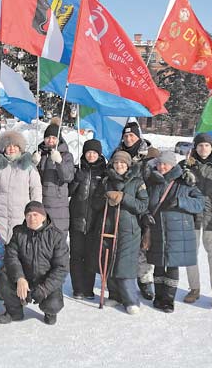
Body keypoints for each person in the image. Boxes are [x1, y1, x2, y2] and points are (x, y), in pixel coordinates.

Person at [146, 151, 205, 313]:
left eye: (165, 164)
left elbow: (200, 203)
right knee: (158, 264)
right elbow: (145, 202)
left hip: (177, 231)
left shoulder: (184, 181)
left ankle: (168, 300)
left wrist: (181, 201)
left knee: (172, 265)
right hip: (157, 228)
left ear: (172, 165)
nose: (161, 167)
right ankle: (158, 296)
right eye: (159, 163)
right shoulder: (152, 181)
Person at [93, 151, 149, 314]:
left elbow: (142, 205)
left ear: (128, 165)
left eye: (123, 163)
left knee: (125, 265)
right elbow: (95, 204)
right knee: (109, 261)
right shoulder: (106, 181)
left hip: (129, 230)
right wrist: (105, 197)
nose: (119, 165)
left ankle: (131, 300)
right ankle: (115, 295)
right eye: (116, 163)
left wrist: (124, 197)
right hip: (108, 226)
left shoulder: (137, 182)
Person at [0, 201, 69, 325]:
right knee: (5, 274)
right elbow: (11, 257)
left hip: (44, 280)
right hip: (24, 278)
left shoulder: (56, 236)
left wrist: (44, 289)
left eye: (35, 215)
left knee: (53, 304)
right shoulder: (18, 233)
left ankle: (49, 312)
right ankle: (14, 312)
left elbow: (61, 268)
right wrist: (19, 278)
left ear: (43, 217)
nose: (32, 218)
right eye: (28, 215)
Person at [110, 121, 159, 300]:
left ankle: (145, 281)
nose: (129, 138)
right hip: (123, 207)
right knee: (124, 247)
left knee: (144, 246)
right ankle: (121, 281)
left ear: (138, 136)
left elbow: (162, 175)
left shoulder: (151, 155)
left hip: (146, 204)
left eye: (132, 135)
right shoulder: (117, 153)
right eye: (126, 135)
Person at [179, 133, 212, 309]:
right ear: (195, 147)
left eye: (206, 145)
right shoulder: (186, 164)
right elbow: (177, 187)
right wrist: (183, 172)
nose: (203, 148)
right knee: (191, 254)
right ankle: (194, 288)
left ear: (211, 147)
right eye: (200, 145)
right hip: (191, 215)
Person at [0, 130, 42, 244]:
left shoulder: (28, 166)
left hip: (20, 214)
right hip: (0, 214)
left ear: (20, 148)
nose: (12, 149)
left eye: (15, 146)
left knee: (18, 245)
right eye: (8, 146)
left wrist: (36, 209)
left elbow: (36, 188)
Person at [67, 139, 106, 299]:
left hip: (95, 222)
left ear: (99, 154)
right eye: (88, 152)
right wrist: (76, 180)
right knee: (76, 255)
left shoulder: (104, 171)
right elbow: (68, 192)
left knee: (91, 256)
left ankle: (88, 288)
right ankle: (77, 288)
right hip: (77, 219)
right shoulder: (77, 168)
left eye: (94, 152)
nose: (91, 155)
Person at [34, 118, 75, 234]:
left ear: (58, 139)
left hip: (58, 204)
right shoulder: (39, 153)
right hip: (40, 201)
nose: (50, 140)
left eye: (54, 138)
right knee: (40, 237)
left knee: (58, 236)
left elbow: (68, 177)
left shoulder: (66, 155)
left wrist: (60, 162)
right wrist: (33, 164)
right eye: (48, 137)